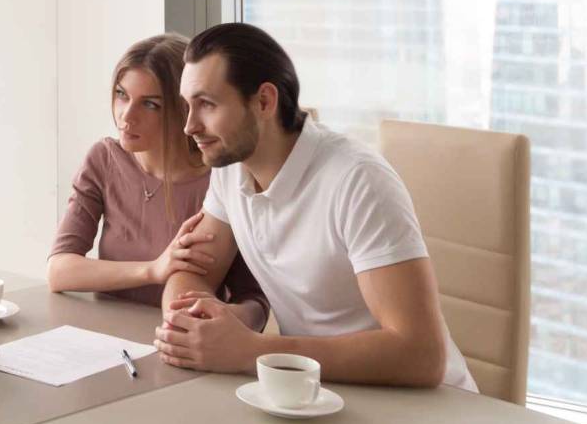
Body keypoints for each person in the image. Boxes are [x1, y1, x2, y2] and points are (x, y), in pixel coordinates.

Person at [152, 23, 476, 390]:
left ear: (264, 102)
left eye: (207, 104)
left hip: (423, 408)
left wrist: (253, 352)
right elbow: (193, 271)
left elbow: (422, 356)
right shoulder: (230, 168)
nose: (189, 126)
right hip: (312, 391)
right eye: (186, 106)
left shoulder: (357, 180)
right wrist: (188, 327)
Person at [47, 34, 270, 329]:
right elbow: (59, 271)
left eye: (150, 104)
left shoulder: (222, 179)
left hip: (181, 343)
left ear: (185, 109)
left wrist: (230, 322)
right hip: (104, 337)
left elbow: (254, 300)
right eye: (121, 94)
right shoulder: (104, 159)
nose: (127, 115)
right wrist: (152, 270)